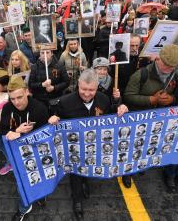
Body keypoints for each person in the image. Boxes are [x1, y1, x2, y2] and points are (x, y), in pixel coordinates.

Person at [48, 69, 128, 219]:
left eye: (91, 90)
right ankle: (77, 201)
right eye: (83, 89)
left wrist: (120, 107)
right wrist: (53, 118)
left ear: (97, 87)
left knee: (89, 166)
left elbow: (112, 114)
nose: (86, 93)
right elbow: (56, 119)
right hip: (74, 147)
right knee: (75, 174)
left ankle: (86, 181)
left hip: (95, 145)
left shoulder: (104, 99)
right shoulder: (65, 102)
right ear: (78, 85)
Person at [124, 44, 178, 192]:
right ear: (158, 59)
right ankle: (128, 172)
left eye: (172, 66)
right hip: (140, 120)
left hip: (159, 121)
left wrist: (172, 99)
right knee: (134, 147)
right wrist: (151, 100)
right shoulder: (141, 75)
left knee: (149, 145)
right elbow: (128, 96)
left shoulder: (175, 75)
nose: (168, 69)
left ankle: (144, 164)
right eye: (166, 65)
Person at [0, 75, 49, 220]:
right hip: (17, 154)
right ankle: (24, 207)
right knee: (22, 182)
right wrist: (15, 132)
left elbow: (46, 134)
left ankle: (40, 194)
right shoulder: (8, 107)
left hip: (36, 151)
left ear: (27, 91)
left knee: (39, 176)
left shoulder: (39, 108)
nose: (16, 102)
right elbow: (2, 130)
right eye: (12, 98)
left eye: (19, 97)